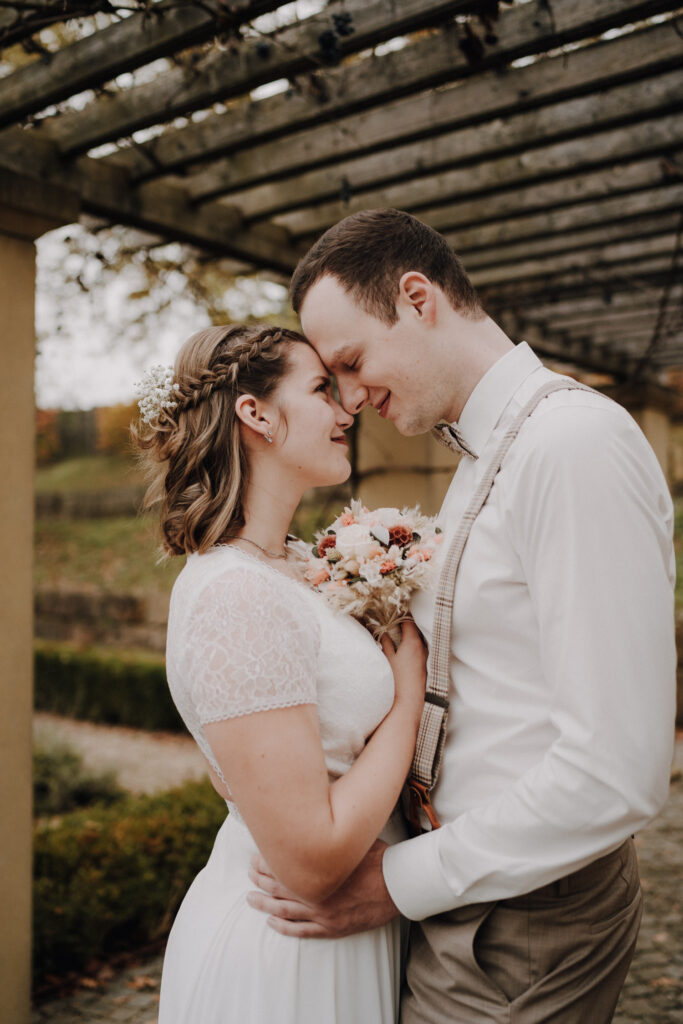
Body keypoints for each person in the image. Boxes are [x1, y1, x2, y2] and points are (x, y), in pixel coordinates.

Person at [248, 209, 677, 1022]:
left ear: (417, 298)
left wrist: (394, 883)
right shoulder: (487, 452)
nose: (349, 396)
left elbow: (616, 769)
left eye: (350, 361)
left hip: (524, 918)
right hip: (471, 890)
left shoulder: (569, 446)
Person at [132, 323, 429, 1024]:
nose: (346, 408)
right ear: (255, 414)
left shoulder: (290, 566)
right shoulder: (235, 594)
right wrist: (409, 694)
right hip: (286, 949)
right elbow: (313, 864)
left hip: (347, 931)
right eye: (322, 388)